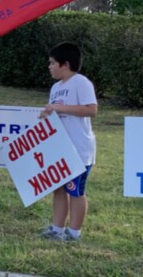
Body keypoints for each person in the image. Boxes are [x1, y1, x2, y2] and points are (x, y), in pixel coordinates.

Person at [38, 43, 98, 243]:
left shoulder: (81, 82)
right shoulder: (56, 87)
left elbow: (91, 109)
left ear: (65, 64)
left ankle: (74, 232)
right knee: (59, 188)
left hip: (79, 149)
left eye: (53, 63)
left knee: (76, 191)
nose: (50, 67)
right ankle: (57, 228)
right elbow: (55, 111)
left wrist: (59, 108)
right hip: (60, 147)